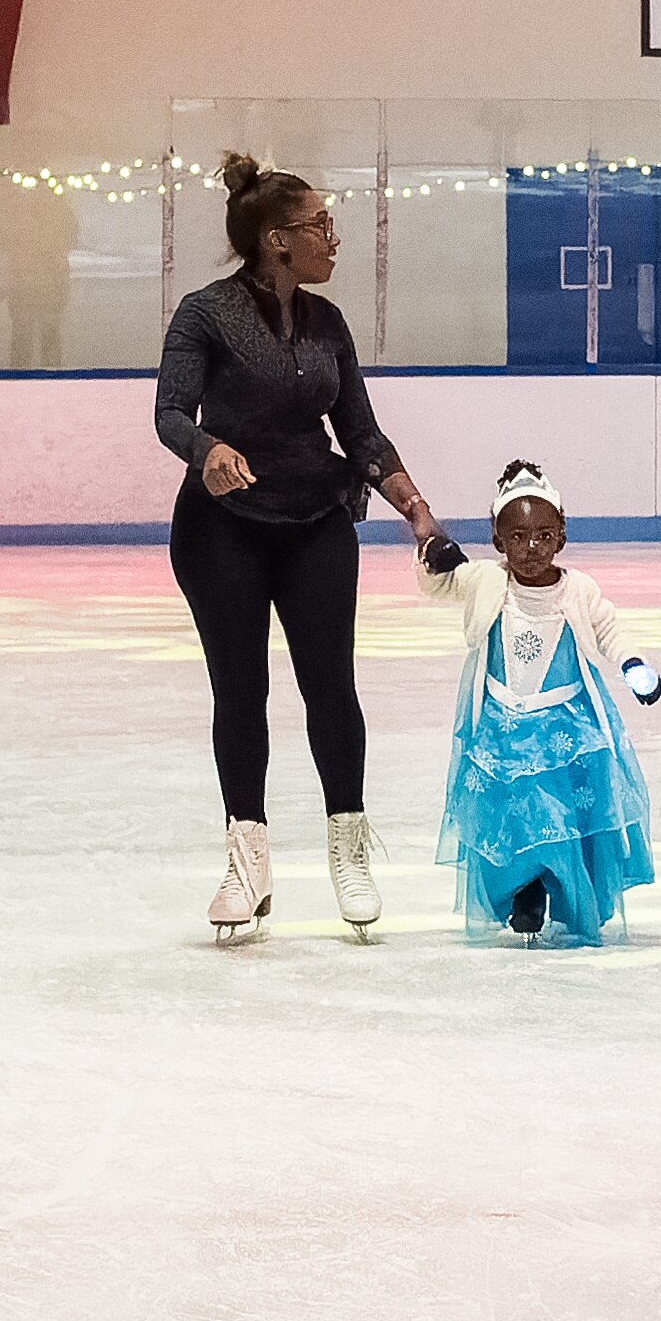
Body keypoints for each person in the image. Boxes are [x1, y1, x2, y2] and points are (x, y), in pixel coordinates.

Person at [156, 151, 451, 942]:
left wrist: (416, 510)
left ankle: (349, 850)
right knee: (240, 689)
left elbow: (360, 433)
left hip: (316, 519)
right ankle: (246, 859)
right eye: (321, 224)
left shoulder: (327, 323)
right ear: (277, 240)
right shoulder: (205, 313)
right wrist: (207, 450)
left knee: (331, 686)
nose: (334, 236)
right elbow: (170, 411)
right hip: (223, 527)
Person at [425, 460, 661, 946]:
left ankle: (558, 887)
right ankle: (525, 886)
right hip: (502, 724)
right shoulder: (486, 581)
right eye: (517, 537)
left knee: (559, 817)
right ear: (498, 540)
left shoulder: (578, 590)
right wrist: (433, 553)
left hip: (565, 728)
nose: (531, 548)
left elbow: (608, 628)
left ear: (561, 537)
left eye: (543, 536)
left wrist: (632, 663)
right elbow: (440, 581)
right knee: (512, 812)